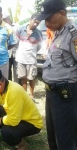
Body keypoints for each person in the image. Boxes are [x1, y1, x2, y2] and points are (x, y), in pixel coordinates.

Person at [37, 0, 77, 149]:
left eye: (49, 18)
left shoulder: (74, 33)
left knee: (66, 137)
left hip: (66, 94)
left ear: (62, 13)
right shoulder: (58, 32)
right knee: (53, 134)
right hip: (53, 92)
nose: (46, 23)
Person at [15, 13, 42, 99]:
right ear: (30, 19)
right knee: (23, 78)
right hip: (21, 58)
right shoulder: (20, 30)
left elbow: (39, 46)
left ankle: (31, 95)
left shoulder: (38, 33)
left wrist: (31, 52)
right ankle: (24, 95)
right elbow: (16, 43)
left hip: (31, 59)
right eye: (34, 22)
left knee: (31, 78)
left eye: (37, 23)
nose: (35, 24)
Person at [2, 14, 19, 83]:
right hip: (7, 53)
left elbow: (19, 38)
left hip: (17, 52)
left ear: (9, 19)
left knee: (17, 71)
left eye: (5, 20)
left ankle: (17, 86)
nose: (4, 21)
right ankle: (8, 85)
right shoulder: (3, 27)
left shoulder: (17, 26)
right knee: (7, 71)